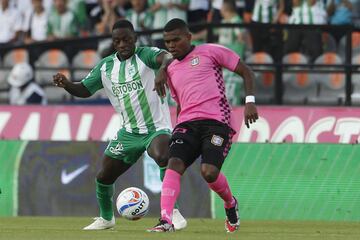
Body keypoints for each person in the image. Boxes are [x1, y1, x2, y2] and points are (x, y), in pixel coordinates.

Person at [53, 19, 187, 231]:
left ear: (135, 39)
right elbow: (85, 90)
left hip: (156, 128)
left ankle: (173, 212)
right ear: (113, 43)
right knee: (104, 176)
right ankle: (106, 219)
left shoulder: (146, 55)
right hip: (128, 133)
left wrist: (161, 69)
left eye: (126, 39)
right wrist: (67, 84)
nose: (122, 44)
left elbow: (168, 56)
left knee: (163, 155)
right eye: (117, 41)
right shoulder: (106, 67)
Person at [147, 18, 259, 233]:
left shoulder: (211, 51)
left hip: (217, 121)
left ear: (189, 37)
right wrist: (178, 127)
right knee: (174, 164)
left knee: (208, 172)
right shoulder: (169, 69)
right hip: (187, 123)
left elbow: (246, 71)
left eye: (175, 40)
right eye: (167, 42)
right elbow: (180, 102)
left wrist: (250, 102)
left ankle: (230, 203)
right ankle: (165, 220)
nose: (171, 46)